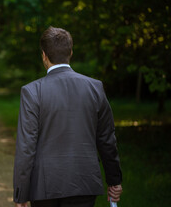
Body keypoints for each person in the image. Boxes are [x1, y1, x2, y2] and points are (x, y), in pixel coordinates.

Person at [13, 26, 123, 207]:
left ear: (44, 55)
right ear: (70, 52)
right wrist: (114, 181)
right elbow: (106, 139)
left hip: (44, 187)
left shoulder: (32, 91)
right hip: (84, 181)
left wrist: (21, 193)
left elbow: (26, 147)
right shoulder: (95, 87)